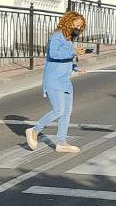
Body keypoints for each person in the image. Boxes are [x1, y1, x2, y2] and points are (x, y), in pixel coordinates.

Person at [26, 12, 87, 154]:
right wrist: (73, 52)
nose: (78, 28)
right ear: (68, 22)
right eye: (76, 25)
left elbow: (66, 60)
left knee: (66, 112)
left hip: (65, 81)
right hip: (53, 80)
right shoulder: (57, 36)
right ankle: (34, 130)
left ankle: (61, 143)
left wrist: (75, 67)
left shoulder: (68, 39)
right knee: (58, 110)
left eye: (80, 27)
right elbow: (54, 55)